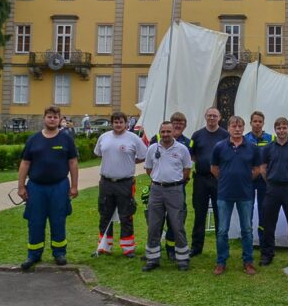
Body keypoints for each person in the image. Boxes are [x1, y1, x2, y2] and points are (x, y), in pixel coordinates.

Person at [17, 106, 79, 270]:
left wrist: (74, 186)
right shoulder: (33, 140)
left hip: (59, 187)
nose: (52, 119)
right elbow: (25, 163)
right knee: (35, 221)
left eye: (55, 117)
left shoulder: (66, 139)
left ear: (60, 119)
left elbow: (73, 163)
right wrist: (21, 187)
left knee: (58, 220)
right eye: (49, 116)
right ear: (44, 118)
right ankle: (33, 255)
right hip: (36, 188)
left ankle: (59, 253)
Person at [210, 116, 260, 275]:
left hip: (245, 194)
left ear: (244, 128)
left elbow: (257, 169)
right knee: (222, 230)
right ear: (228, 128)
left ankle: (248, 261)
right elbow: (214, 168)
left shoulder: (252, 148)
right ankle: (221, 261)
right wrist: (225, 179)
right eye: (234, 126)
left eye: (240, 126)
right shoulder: (219, 147)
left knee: (247, 229)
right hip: (224, 194)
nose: (237, 129)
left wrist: (245, 179)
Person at [93, 111, 147, 258]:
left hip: (125, 183)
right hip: (106, 182)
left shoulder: (133, 138)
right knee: (105, 214)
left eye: (121, 122)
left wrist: (131, 162)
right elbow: (98, 153)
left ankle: (128, 248)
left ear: (126, 123)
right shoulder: (104, 137)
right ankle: (104, 247)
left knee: (126, 215)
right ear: (112, 123)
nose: (118, 124)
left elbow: (143, 155)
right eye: (115, 122)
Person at [142, 121, 192, 272]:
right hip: (156, 190)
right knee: (154, 225)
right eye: (163, 132)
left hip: (175, 190)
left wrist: (174, 181)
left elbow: (187, 170)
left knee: (177, 225)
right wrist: (159, 179)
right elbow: (149, 169)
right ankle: (152, 259)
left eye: (168, 131)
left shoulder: (182, 149)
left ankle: (182, 259)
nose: (165, 134)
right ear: (160, 132)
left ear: (173, 132)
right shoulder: (152, 148)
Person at [259, 117, 288, 267]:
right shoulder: (268, 148)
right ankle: (267, 254)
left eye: (284, 128)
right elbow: (263, 169)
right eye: (279, 128)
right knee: (268, 223)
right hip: (272, 188)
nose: (282, 131)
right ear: (275, 130)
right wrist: (271, 181)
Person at [189, 107, 229, 257]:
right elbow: (192, 155)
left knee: (220, 214)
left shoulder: (225, 135)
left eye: (214, 116)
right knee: (200, 214)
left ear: (219, 118)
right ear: (205, 117)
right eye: (209, 115)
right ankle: (196, 247)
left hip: (219, 180)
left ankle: (221, 247)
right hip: (201, 179)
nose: (212, 118)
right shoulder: (197, 135)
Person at [244, 111, 275, 243]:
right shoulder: (244, 139)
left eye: (260, 121)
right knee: (247, 210)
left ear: (263, 123)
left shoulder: (271, 138)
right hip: (249, 179)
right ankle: (248, 240)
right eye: (255, 121)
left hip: (265, 180)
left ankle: (264, 241)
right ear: (250, 123)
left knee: (264, 210)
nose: (257, 124)